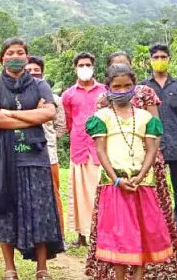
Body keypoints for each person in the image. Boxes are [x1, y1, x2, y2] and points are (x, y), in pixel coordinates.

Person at [85, 51, 177, 280]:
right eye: (117, 86)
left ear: (135, 85)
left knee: (144, 232)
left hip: (144, 185)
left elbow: (152, 148)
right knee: (119, 236)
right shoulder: (102, 116)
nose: (122, 91)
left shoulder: (145, 117)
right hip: (115, 186)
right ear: (108, 87)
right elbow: (101, 150)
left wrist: (142, 175)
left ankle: (139, 276)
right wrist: (116, 179)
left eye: (127, 86)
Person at [0, 38, 64, 280]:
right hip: (4, 160)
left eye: (20, 52)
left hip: (36, 158)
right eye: (10, 52)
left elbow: (50, 112)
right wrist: (32, 116)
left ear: (27, 58)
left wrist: (8, 112)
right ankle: (10, 269)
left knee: (40, 213)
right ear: (2, 58)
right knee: (5, 211)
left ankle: (42, 269)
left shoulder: (40, 85)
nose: (15, 56)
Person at [140, 43, 177, 240]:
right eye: (156, 57)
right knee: (155, 191)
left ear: (169, 59)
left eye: (163, 56)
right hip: (153, 148)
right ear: (150, 60)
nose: (160, 60)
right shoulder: (143, 87)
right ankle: (159, 230)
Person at [62, 52, 107, 247]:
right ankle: (81, 236)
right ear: (75, 68)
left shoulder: (105, 92)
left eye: (88, 64)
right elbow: (69, 121)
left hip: (101, 148)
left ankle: (101, 232)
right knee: (79, 192)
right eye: (81, 65)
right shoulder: (68, 94)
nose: (84, 68)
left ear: (94, 67)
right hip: (79, 147)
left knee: (100, 190)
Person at [25, 55, 67, 235]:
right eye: (29, 71)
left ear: (43, 73)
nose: (33, 74)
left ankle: (60, 234)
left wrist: (50, 140)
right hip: (25, 152)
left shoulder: (55, 99)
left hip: (49, 153)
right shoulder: (17, 99)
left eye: (36, 71)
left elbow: (61, 126)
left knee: (53, 192)